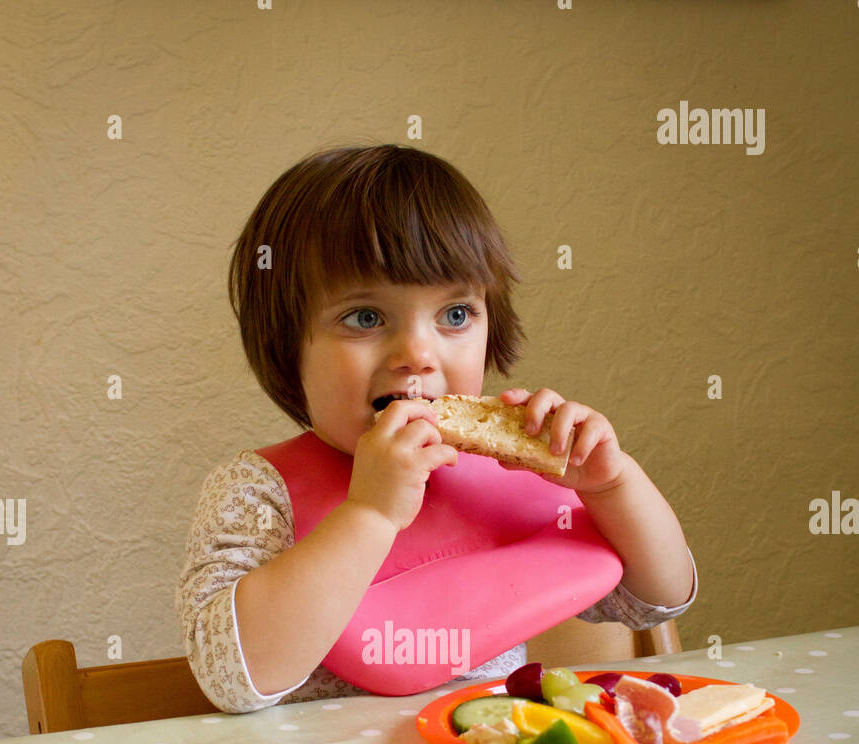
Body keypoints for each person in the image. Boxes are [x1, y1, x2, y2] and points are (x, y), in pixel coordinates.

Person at [176, 144, 697, 713]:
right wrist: (370, 514)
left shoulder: (513, 470)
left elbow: (653, 604)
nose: (418, 353)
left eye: (455, 315)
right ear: (285, 346)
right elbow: (235, 679)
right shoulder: (256, 494)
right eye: (366, 317)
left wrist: (610, 485)